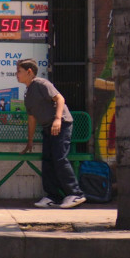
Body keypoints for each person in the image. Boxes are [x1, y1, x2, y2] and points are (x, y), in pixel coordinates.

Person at [17, 58, 86, 209]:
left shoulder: (42, 84)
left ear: (29, 72)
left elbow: (60, 98)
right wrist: (30, 141)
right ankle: (53, 197)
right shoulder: (28, 92)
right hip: (47, 128)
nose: (16, 74)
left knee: (59, 158)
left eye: (19, 71)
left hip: (60, 124)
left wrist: (57, 119)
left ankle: (75, 194)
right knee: (47, 160)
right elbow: (32, 118)